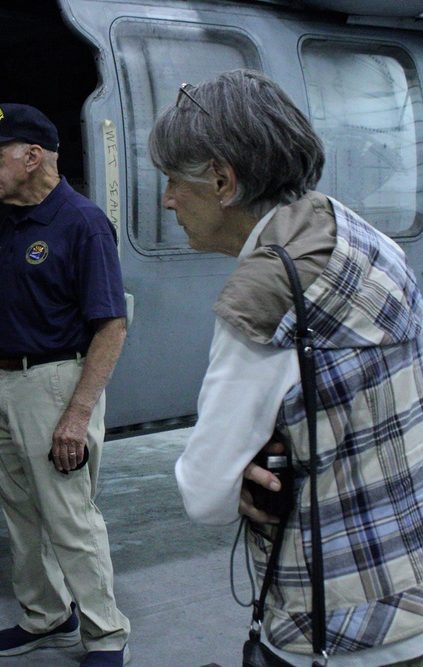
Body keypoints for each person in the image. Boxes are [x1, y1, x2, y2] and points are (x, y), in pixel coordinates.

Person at [153, 69, 423, 665]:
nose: (168, 199)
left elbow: (203, 495)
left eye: (173, 180)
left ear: (222, 181)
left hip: (337, 624)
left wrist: (240, 473)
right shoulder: (365, 237)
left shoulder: (264, 296)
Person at [0, 103, 131, 667]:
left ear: (32, 157)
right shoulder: (16, 222)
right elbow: (16, 314)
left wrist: (77, 415)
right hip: (8, 385)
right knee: (22, 517)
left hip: (57, 386)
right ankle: (48, 616)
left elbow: (111, 326)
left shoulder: (81, 223)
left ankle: (106, 635)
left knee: (70, 518)